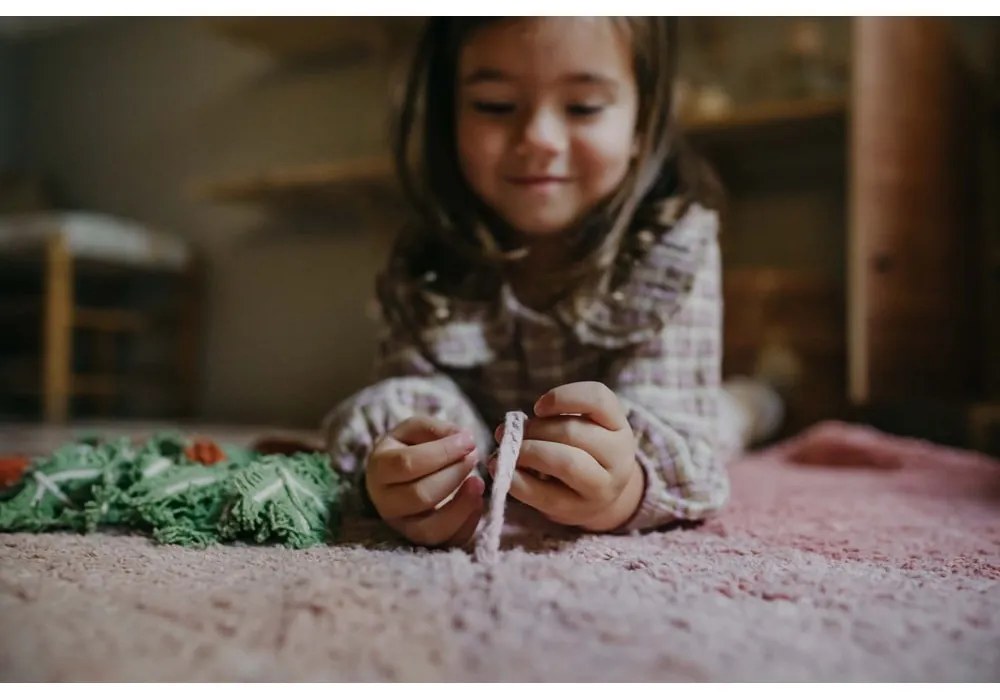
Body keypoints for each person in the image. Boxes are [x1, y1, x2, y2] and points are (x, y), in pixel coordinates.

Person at [322, 17, 783, 548]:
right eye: (494, 105)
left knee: (720, 423)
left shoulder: (674, 248)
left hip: (663, 405)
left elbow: (681, 436)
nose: (539, 139)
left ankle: (755, 403)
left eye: (584, 107)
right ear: (448, 114)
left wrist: (624, 488)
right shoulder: (425, 256)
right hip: (491, 428)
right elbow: (408, 399)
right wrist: (401, 475)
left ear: (643, 123)